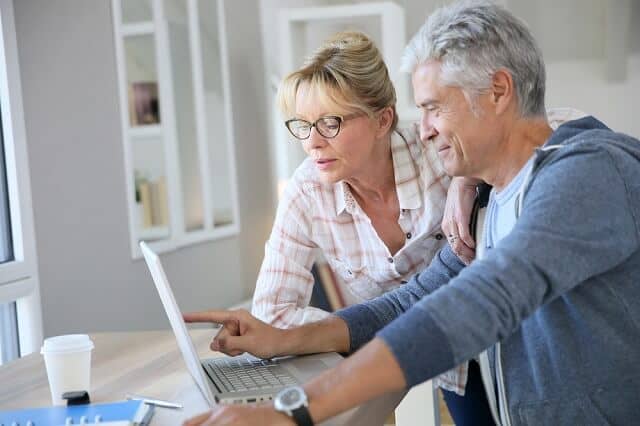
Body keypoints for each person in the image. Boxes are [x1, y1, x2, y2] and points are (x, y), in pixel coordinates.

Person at [185, 2, 640, 425]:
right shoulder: (494, 197)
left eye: (433, 108)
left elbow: (485, 297)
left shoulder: (587, 171)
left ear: (498, 91)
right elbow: (410, 302)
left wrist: (294, 412)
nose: (421, 132)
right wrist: (284, 338)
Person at [249, 31, 490, 422]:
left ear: (383, 120)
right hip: (391, 339)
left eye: (330, 123)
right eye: (302, 125)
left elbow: (547, 127)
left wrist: (467, 175)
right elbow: (271, 314)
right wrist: (345, 330)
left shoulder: (436, 148)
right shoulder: (307, 190)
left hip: (486, 337)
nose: (312, 142)